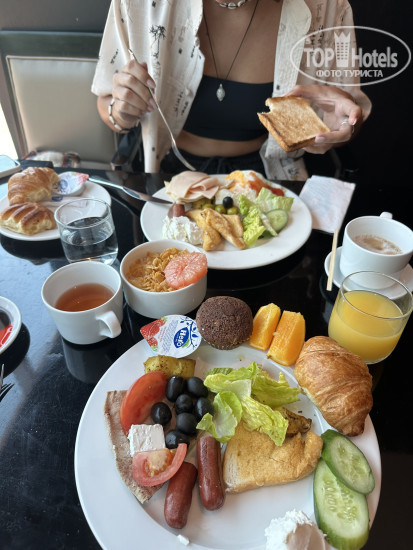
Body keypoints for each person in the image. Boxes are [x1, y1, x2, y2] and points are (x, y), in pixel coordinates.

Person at [92, 0, 371, 180]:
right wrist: (122, 111)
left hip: (269, 177)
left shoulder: (327, 8)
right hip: (166, 172)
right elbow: (106, 104)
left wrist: (342, 127)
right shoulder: (139, 5)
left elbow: (349, 121)